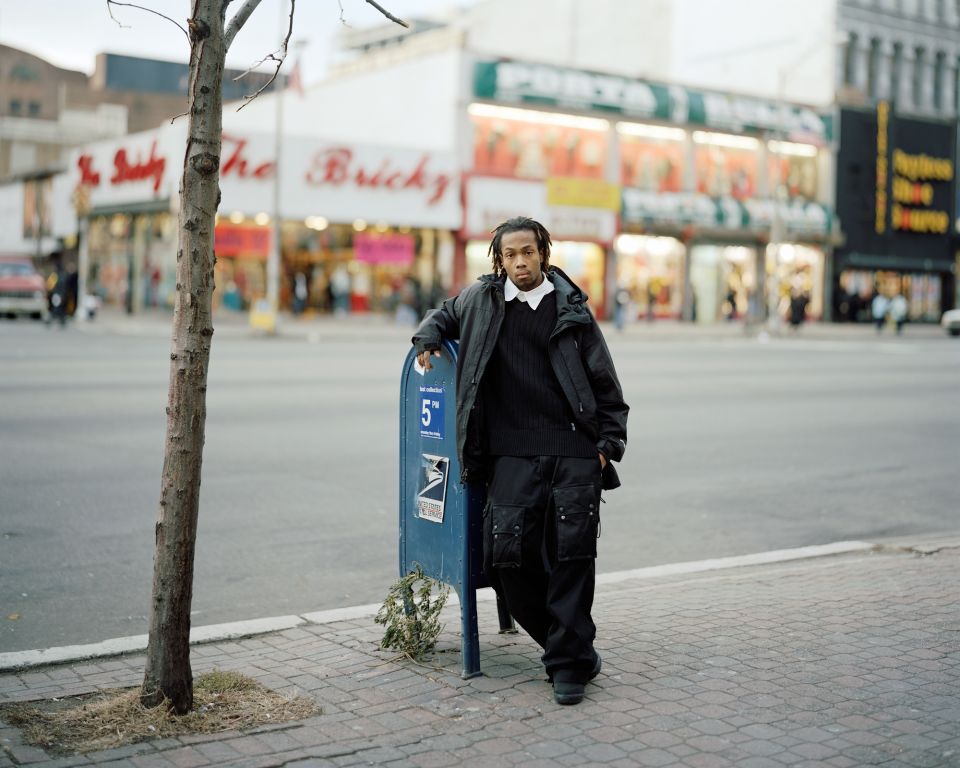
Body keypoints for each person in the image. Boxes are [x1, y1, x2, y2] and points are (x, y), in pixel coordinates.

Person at [412, 217, 629, 706]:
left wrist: (605, 447)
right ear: (499, 259)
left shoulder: (571, 308)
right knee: (506, 558)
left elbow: (606, 385)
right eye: (510, 255)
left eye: (528, 252)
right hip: (510, 453)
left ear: (543, 253)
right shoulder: (482, 300)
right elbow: (443, 314)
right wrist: (426, 340)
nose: (520, 262)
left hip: (574, 450)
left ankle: (569, 666)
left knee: (573, 559)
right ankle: (568, 644)